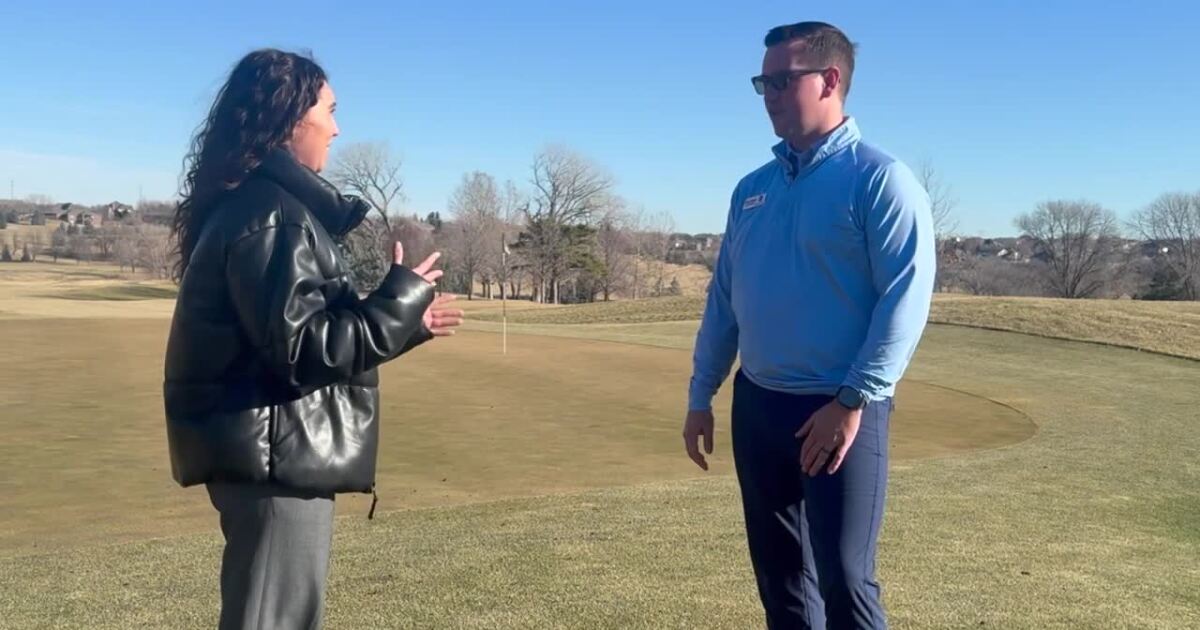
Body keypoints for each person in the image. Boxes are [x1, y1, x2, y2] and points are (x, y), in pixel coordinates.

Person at [162, 49, 463, 630]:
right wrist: (396, 301)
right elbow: (301, 350)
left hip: (275, 455)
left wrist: (403, 322)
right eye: (330, 109)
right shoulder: (274, 215)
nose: (337, 126)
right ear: (291, 117)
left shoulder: (261, 207)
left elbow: (293, 338)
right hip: (276, 463)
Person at [682, 21, 936, 629]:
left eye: (780, 79)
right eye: (761, 81)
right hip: (759, 404)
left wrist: (853, 400)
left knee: (845, 582)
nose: (767, 93)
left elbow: (904, 300)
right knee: (782, 582)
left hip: (839, 410)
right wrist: (701, 396)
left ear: (830, 80)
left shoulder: (879, 180)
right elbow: (725, 301)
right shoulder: (752, 189)